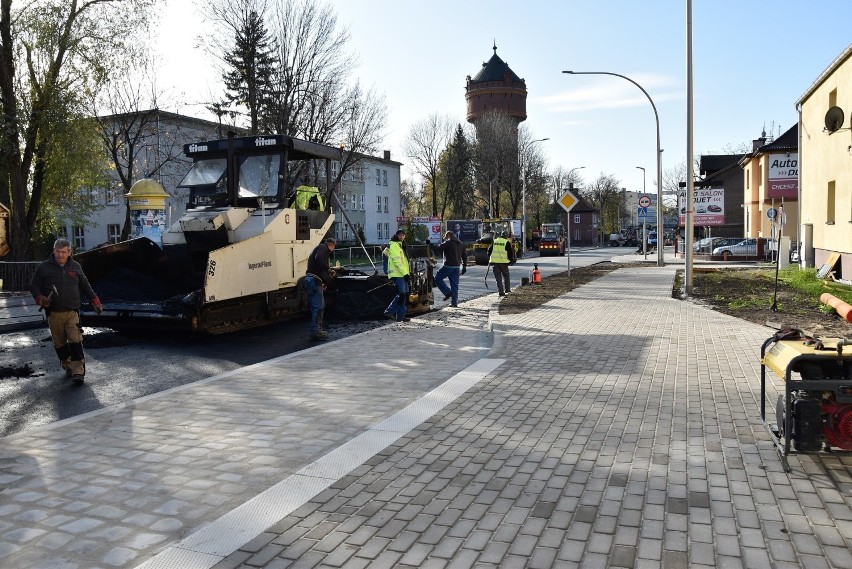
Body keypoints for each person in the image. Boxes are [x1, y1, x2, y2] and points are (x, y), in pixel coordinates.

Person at [30, 238, 102, 385]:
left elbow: (85, 285)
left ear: (69, 253)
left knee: (75, 340)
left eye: (64, 252)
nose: (60, 255)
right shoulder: (44, 268)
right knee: (60, 343)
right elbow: (34, 286)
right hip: (53, 312)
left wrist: (95, 300)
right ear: (53, 251)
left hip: (72, 312)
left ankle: (78, 372)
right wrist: (39, 297)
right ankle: (67, 364)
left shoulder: (75, 267)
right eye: (58, 251)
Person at [305, 237, 337, 340]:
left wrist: (323, 282)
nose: (333, 250)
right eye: (334, 247)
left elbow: (317, 267)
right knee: (318, 306)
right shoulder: (323, 248)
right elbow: (318, 260)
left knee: (318, 306)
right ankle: (315, 331)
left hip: (313, 280)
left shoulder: (320, 249)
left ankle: (316, 329)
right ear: (331, 245)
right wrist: (329, 270)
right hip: (314, 280)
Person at [432, 230, 467, 307]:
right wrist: (464, 267)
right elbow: (464, 256)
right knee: (454, 285)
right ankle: (454, 303)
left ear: (448, 236)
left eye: (445, 237)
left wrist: (430, 244)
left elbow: (438, 248)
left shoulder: (448, 242)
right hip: (457, 267)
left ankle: (447, 292)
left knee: (437, 278)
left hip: (448, 266)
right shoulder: (461, 243)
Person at [383, 229, 411, 322]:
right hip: (398, 274)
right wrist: (405, 273)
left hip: (402, 274)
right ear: (396, 236)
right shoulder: (395, 245)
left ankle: (400, 316)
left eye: (403, 235)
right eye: (400, 235)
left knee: (404, 295)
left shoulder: (400, 245)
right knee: (401, 294)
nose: (402, 237)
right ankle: (389, 311)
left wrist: (407, 273)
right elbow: (397, 262)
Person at [488, 231, 515, 297]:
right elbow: (510, 254)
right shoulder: (506, 242)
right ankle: (507, 289)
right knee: (506, 276)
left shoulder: (494, 241)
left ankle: (501, 292)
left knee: (498, 278)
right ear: (506, 236)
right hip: (504, 263)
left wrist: (490, 258)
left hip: (495, 263)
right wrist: (511, 261)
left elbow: (489, 251)